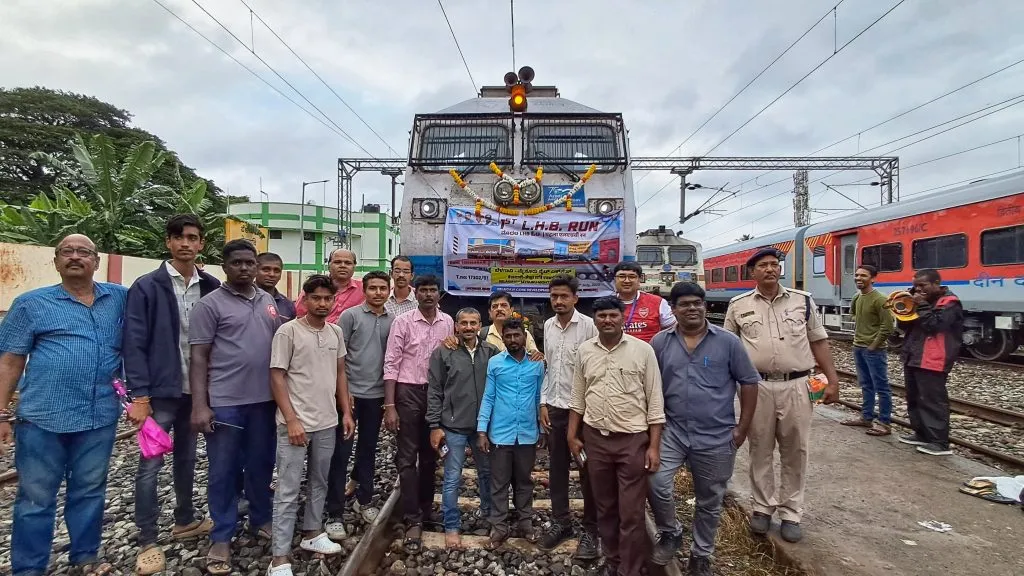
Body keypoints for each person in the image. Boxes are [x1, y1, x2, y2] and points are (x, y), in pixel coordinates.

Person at [0, 234, 127, 576]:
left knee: (89, 491)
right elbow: (10, 360)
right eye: (67, 252)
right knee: (35, 498)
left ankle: (85, 556)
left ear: (96, 262)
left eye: (84, 252)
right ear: (55, 261)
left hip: (98, 415)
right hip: (43, 417)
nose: (75, 257)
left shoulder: (119, 298)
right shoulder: (30, 304)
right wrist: (1, 413)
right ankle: (29, 568)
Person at [123, 215, 219, 575]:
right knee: (149, 466)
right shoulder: (147, 286)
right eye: (178, 237)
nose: (185, 243)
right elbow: (133, 343)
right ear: (168, 242)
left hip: (195, 392)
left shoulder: (210, 285)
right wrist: (141, 395)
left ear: (201, 244)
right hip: (160, 394)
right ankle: (147, 538)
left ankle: (184, 519)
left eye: (192, 238)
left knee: (187, 459)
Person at [723, 247, 839, 544]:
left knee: (796, 449)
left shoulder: (803, 301)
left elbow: (819, 342)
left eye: (775, 265)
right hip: (756, 387)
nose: (771, 270)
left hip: (798, 385)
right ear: (753, 273)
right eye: (763, 266)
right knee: (759, 447)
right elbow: (728, 349)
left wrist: (832, 380)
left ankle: (791, 512)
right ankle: (762, 508)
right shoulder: (738, 305)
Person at [648, 282, 760, 575]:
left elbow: (749, 382)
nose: (692, 308)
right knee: (656, 482)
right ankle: (670, 532)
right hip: (672, 430)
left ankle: (701, 555)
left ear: (705, 306)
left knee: (710, 498)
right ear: (673, 310)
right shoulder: (660, 343)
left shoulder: (728, 342)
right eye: (684, 304)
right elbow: (651, 385)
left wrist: (742, 429)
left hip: (716, 433)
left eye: (698, 303)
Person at [189, 239, 283, 575]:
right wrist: (200, 405)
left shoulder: (268, 300)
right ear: (224, 266)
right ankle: (222, 534)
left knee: (261, 464)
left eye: (249, 263)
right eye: (237, 263)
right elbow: (198, 357)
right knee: (223, 470)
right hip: (226, 402)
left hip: (264, 400)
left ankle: (261, 517)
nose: (244, 268)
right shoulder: (209, 305)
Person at [568, 296, 665, 576]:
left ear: (623, 318)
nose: (607, 321)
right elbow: (578, 397)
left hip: (632, 441)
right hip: (595, 440)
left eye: (613, 315)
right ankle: (612, 560)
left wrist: (654, 447)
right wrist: (572, 436)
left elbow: (654, 402)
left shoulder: (643, 351)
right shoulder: (585, 351)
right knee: (604, 506)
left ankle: (629, 568)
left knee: (632, 512)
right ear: (595, 320)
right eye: (601, 317)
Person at [268, 274, 355, 576]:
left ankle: (312, 533)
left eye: (327, 298)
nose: (321, 303)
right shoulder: (288, 332)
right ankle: (279, 557)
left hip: (327, 421)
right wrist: (291, 419)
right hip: (296, 424)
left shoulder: (335, 333)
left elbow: (340, 373)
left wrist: (346, 412)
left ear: (333, 301)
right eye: (315, 298)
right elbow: (277, 376)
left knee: (320, 480)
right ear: (304, 299)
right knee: (288, 489)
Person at [383, 274, 455, 552]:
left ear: (439, 294)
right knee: (406, 457)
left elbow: (449, 360)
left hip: (435, 394)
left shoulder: (447, 322)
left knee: (430, 455)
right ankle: (412, 518)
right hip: (408, 392)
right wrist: (390, 406)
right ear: (417, 293)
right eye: (423, 290)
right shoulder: (402, 322)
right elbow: (391, 362)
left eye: (432, 290)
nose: (428, 295)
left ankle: (426, 510)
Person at [427, 307, 501, 549]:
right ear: (456, 326)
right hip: (454, 427)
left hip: (483, 428)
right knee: (451, 479)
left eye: (473, 323)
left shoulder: (491, 351)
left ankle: (490, 517)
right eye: (464, 323)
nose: (468, 327)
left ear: (480, 325)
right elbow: (435, 391)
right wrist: (435, 425)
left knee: (488, 474)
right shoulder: (443, 352)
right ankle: (451, 525)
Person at [537, 275, 600, 558]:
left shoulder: (589, 327)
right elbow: (549, 368)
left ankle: (591, 529)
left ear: (576, 297)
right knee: (557, 469)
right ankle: (561, 523)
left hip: (585, 413)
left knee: (588, 471)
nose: (558, 302)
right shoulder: (548, 326)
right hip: (556, 408)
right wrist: (543, 403)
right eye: (554, 297)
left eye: (564, 296)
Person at [330, 271, 395, 528]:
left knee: (368, 449)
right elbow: (339, 358)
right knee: (341, 452)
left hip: (377, 395)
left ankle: (364, 499)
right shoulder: (350, 316)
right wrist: (343, 393)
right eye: (373, 288)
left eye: (382, 288)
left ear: (388, 290)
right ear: (364, 291)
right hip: (351, 395)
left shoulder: (394, 320)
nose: (378, 293)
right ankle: (334, 510)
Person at [477, 319, 546, 548]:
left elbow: (539, 398)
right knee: (499, 482)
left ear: (525, 336)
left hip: (527, 432)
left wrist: (542, 428)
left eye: (517, 335)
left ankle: (525, 523)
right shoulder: (495, 363)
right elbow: (488, 397)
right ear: (503, 338)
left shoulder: (536, 364)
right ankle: (499, 526)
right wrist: (482, 430)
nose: (513, 340)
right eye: (508, 336)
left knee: (524, 481)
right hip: (500, 433)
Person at [896, 268, 963, 456]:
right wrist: (903, 308)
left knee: (933, 401)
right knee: (914, 398)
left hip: (934, 358)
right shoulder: (920, 300)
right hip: (913, 355)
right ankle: (921, 434)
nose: (918, 290)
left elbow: (935, 325)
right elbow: (905, 325)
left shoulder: (950, 302)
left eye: (923, 286)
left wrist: (922, 305)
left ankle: (939, 442)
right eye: (916, 286)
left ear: (936, 284)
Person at [841, 264, 894, 436]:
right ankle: (866, 417)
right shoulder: (857, 298)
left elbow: (888, 327)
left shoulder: (880, 299)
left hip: (874, 350)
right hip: (858, 347)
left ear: (873, 278)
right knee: (865, 385)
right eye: (856, 275)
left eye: (863, 276)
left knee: (882, 386)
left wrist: (873, 345)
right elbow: (854, 314)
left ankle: (885, 423)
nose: (858, 278)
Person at [441, 290, 543, 359]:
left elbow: (535, 356)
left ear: (511, 310)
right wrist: (452, 340)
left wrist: (537, 355)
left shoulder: (524, 334)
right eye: (495, 306)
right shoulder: (480, 334)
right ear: (490, 312)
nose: (499, 309)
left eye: (503, 305)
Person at [612, 262, 675, 342]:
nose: (627, 281)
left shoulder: (657, 302)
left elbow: (674, 329)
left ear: (640, 279)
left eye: (632, 277)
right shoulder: (607, 304)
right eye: (622, 276)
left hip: (650, 352)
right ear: (615, 279)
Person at [295, 248, 363, 323]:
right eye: (337, 262)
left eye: (348, 263)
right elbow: (300, 316)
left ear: (354, 267)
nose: (343, 266)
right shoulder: (313, 286)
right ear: (329, 266)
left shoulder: (364, 289)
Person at [257, 252, 296, 320]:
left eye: (276, 271)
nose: (272, 274)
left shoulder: (288, 305)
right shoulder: (242, 299)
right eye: (266, 270)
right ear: (255, 270)